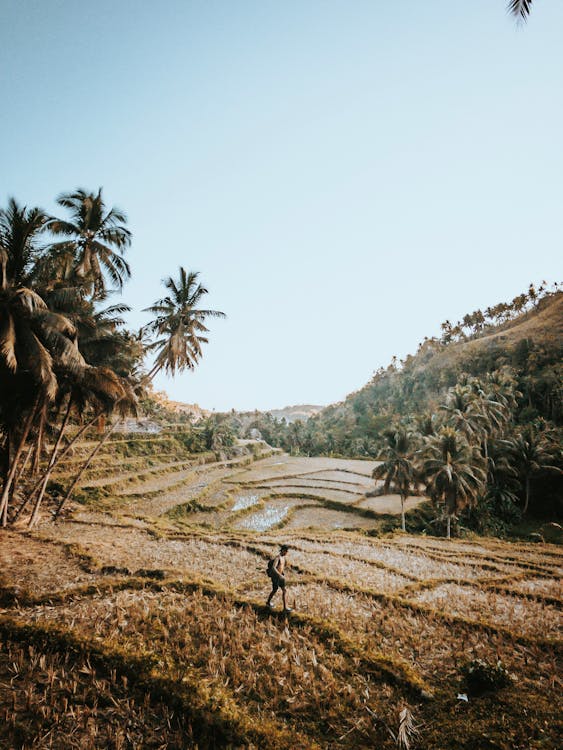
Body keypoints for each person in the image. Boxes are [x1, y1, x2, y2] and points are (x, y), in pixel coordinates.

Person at [266, 544, 292, 611]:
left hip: (280, 577)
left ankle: (284, 607)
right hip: (276, 577)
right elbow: (273, 568)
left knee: (283, 590)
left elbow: (281, 567)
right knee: (276, 590)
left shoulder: (283, 558)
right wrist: (279, 575)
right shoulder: (278, 557)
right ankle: (269, 602)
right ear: (283, 550)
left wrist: (282, 573)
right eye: (286, 551)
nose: (287, 553)